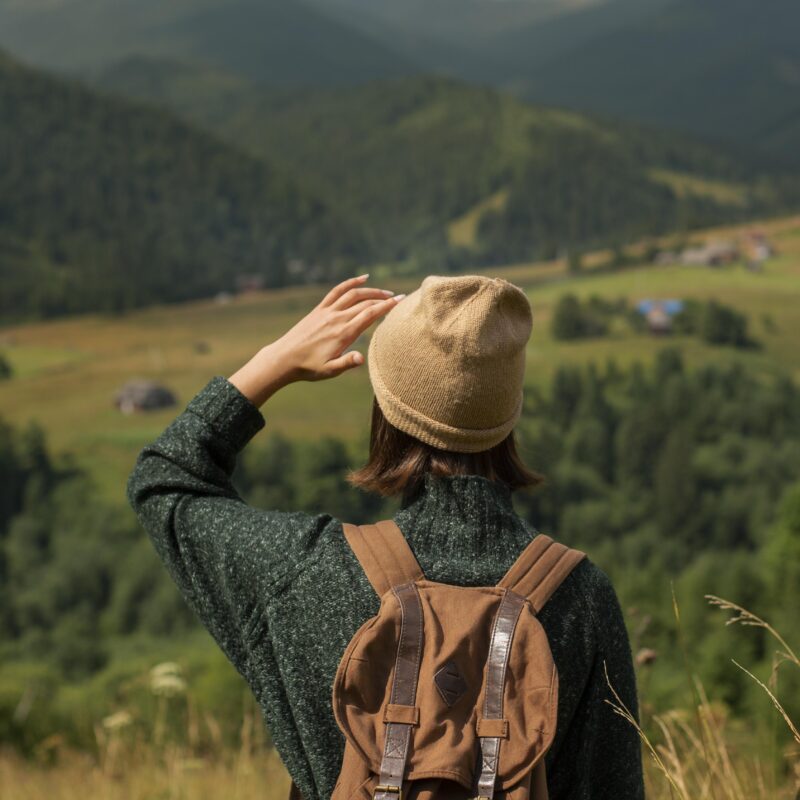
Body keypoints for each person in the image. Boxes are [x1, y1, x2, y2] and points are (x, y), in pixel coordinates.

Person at [127, 273, 645, 799]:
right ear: (508, 414)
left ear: (386, 407)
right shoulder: (582, 598)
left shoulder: (305, 573)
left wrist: (275, 362)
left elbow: (165, 479)